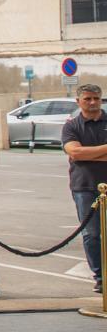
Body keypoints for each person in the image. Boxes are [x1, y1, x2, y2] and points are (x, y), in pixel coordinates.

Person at [61, 83, 106, 295]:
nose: (92, 102)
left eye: (96, 98)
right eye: (87, 99)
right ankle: (100, 276)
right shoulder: (71, 126)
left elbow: (80, 153)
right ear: (78, 101)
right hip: (84, 187)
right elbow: (75, 153)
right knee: (92, 233)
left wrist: (87, 153)